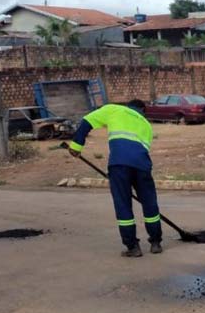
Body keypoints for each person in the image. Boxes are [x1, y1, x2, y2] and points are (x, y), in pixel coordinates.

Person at [68, 99, 162, 257]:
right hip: (143, 166)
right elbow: (140, 150)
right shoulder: (146, 125)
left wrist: (76, 146)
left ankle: (133, 247)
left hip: (119, 165)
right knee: (149, 204)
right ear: (142, 111)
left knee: (123, 205)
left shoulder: (113, 109)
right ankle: (156, 243)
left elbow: (87, 121)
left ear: (128, 107)